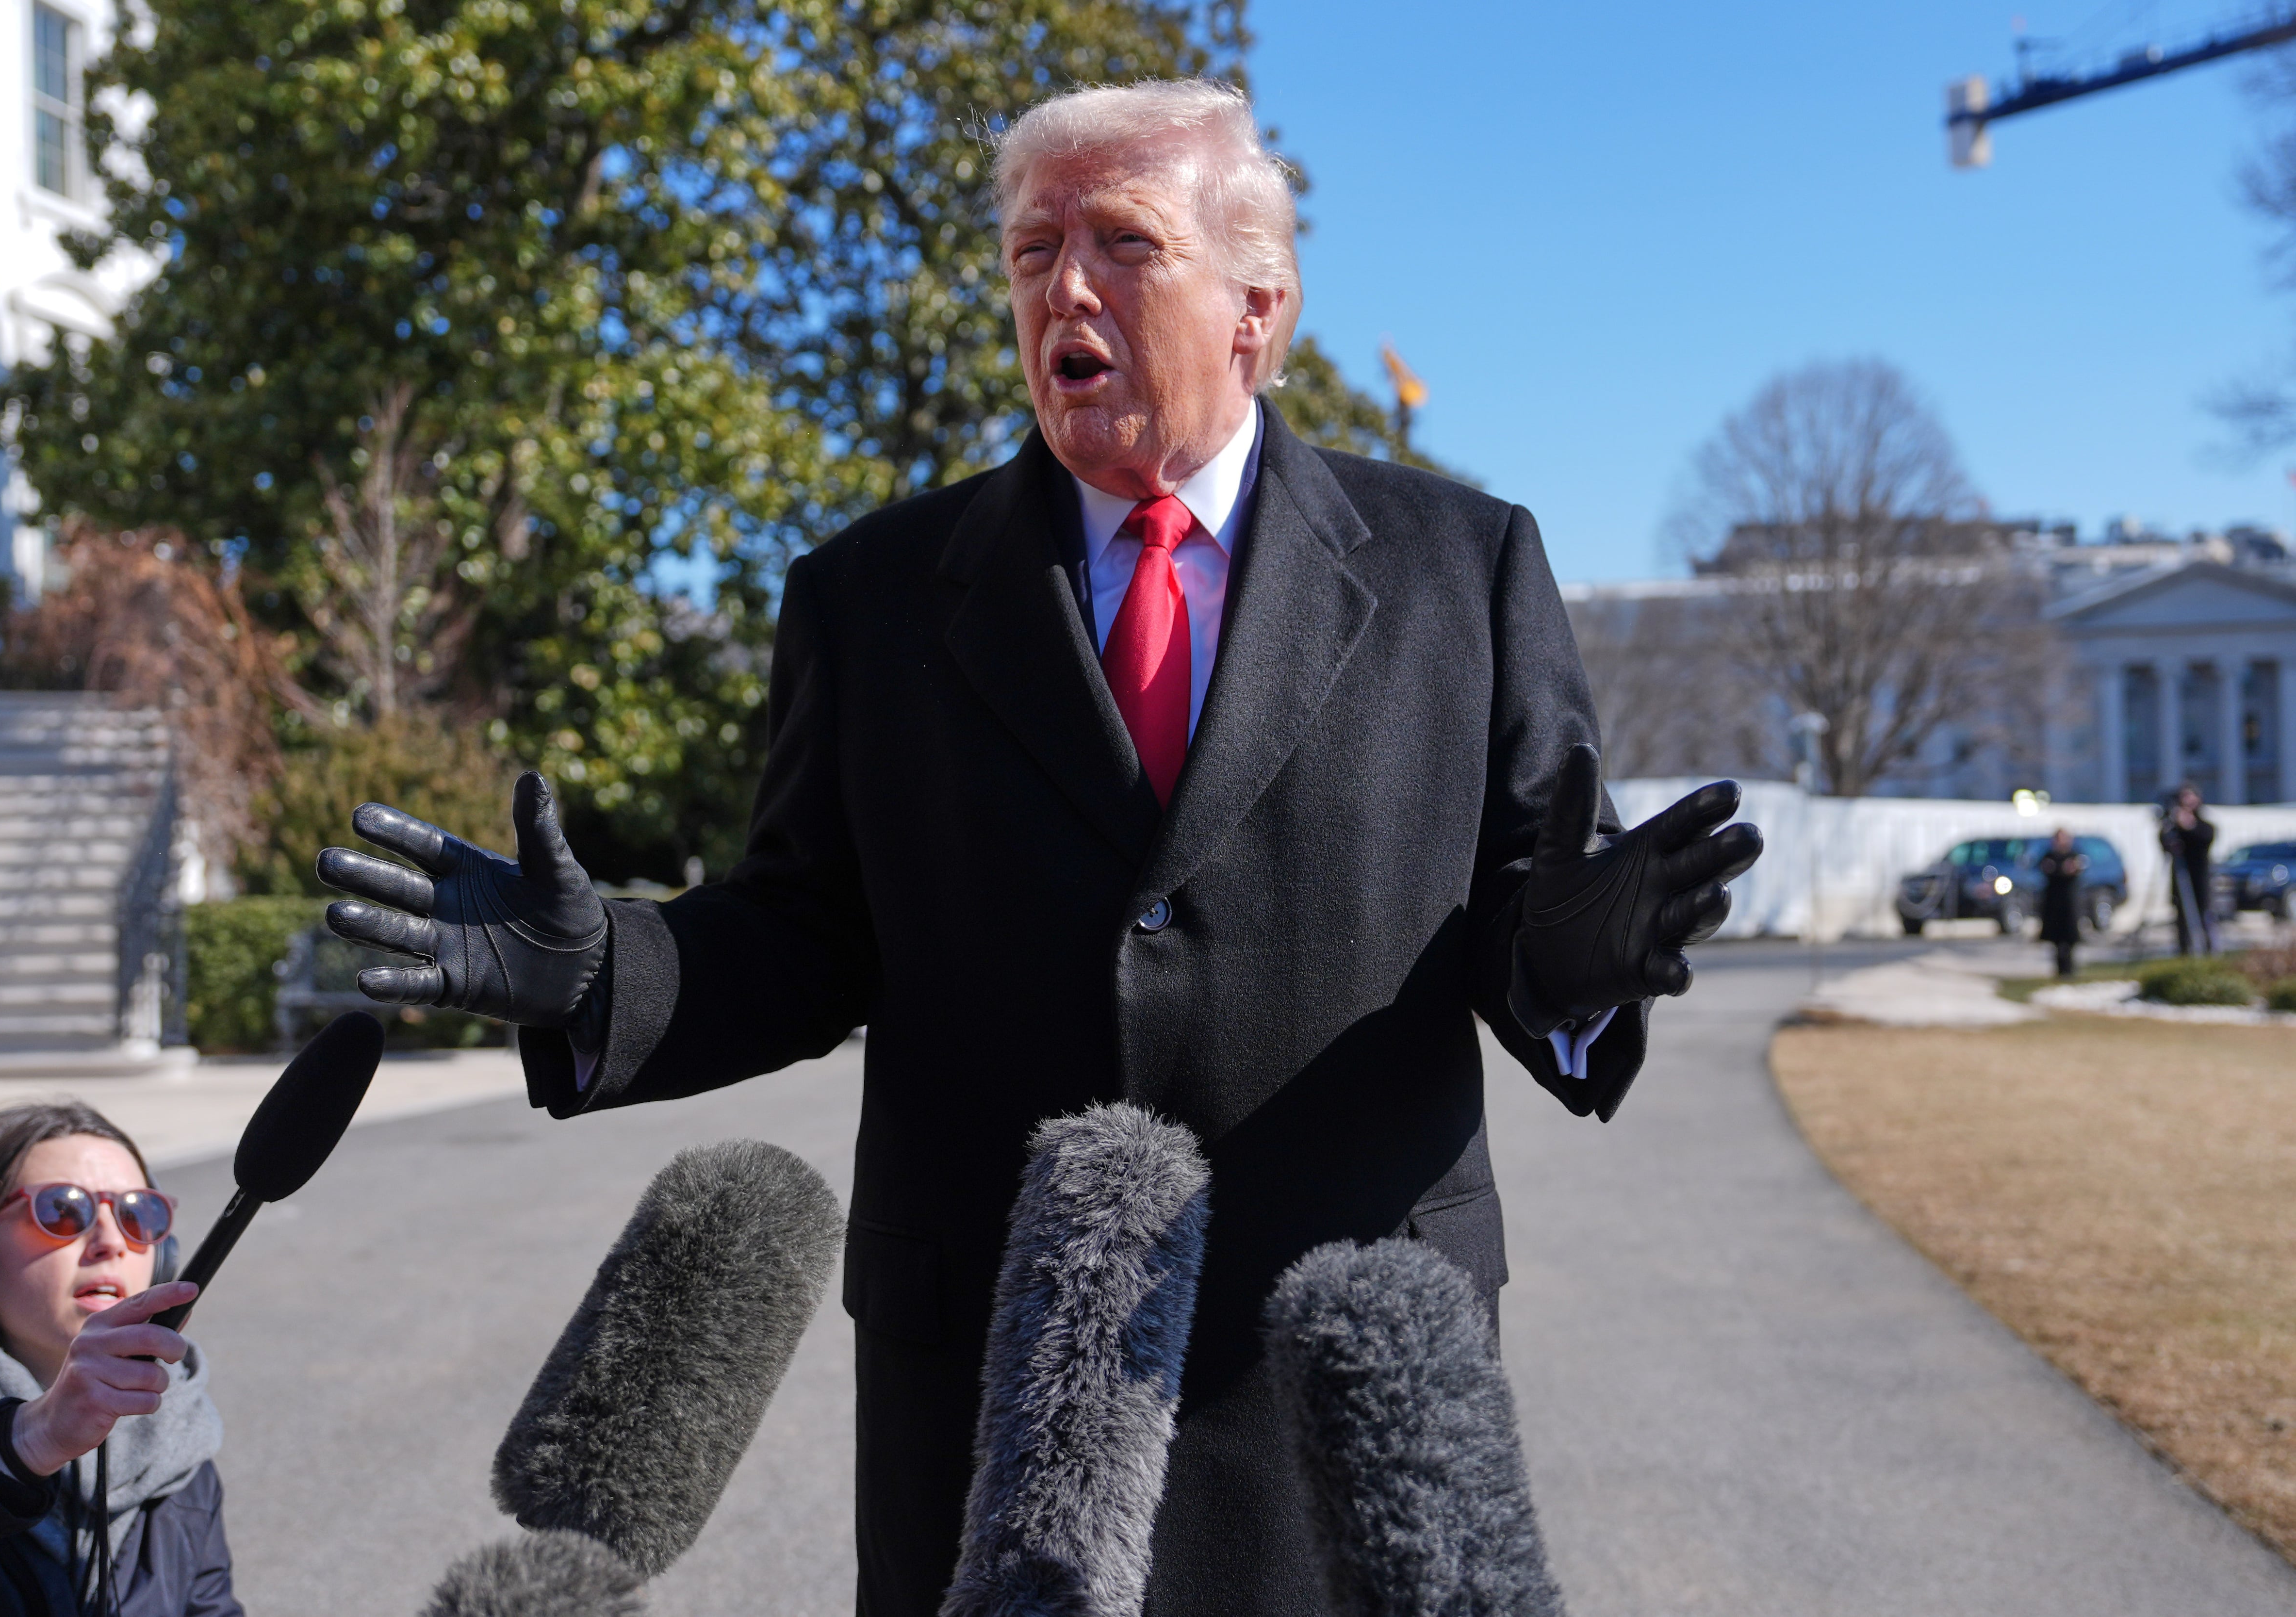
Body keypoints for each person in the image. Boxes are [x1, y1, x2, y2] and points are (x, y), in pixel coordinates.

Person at [319, 80, 1761, 1617]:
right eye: (1029, 253)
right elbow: (804, 938)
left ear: (1254, 307)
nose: (1060, 289)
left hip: (1326, 1386)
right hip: (988, 1394)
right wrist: (604, 964)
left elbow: (1527, 915)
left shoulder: (1460, 571)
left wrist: (1584, 952)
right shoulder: (869, 596)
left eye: (1120, 245)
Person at [0, 1102, 239, 1617]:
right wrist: (27, 1438)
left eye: (137, 1214)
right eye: (63, 1209)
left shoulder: (175, 1429)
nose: (110, 1243)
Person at [2161, 783, 2218, 956]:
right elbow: (2166, 844)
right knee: (2182, 919)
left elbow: (2205, 838)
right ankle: (2184, 951)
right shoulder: (2174, 826)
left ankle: (2208, 949)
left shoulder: (2203, 825)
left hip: (2199, 878)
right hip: (2181, 878)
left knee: (2204, 915)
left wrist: (2189, 825)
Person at [2038, 828, 2085, 978]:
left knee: (2070, 937)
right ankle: (2059, 970)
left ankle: (2069, 969)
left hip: (2069, 902)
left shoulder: (2074, 855)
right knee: (2056, 939)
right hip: (2054, 903)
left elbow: (2075, 870)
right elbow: (2045, 869)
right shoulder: (2050, 856)